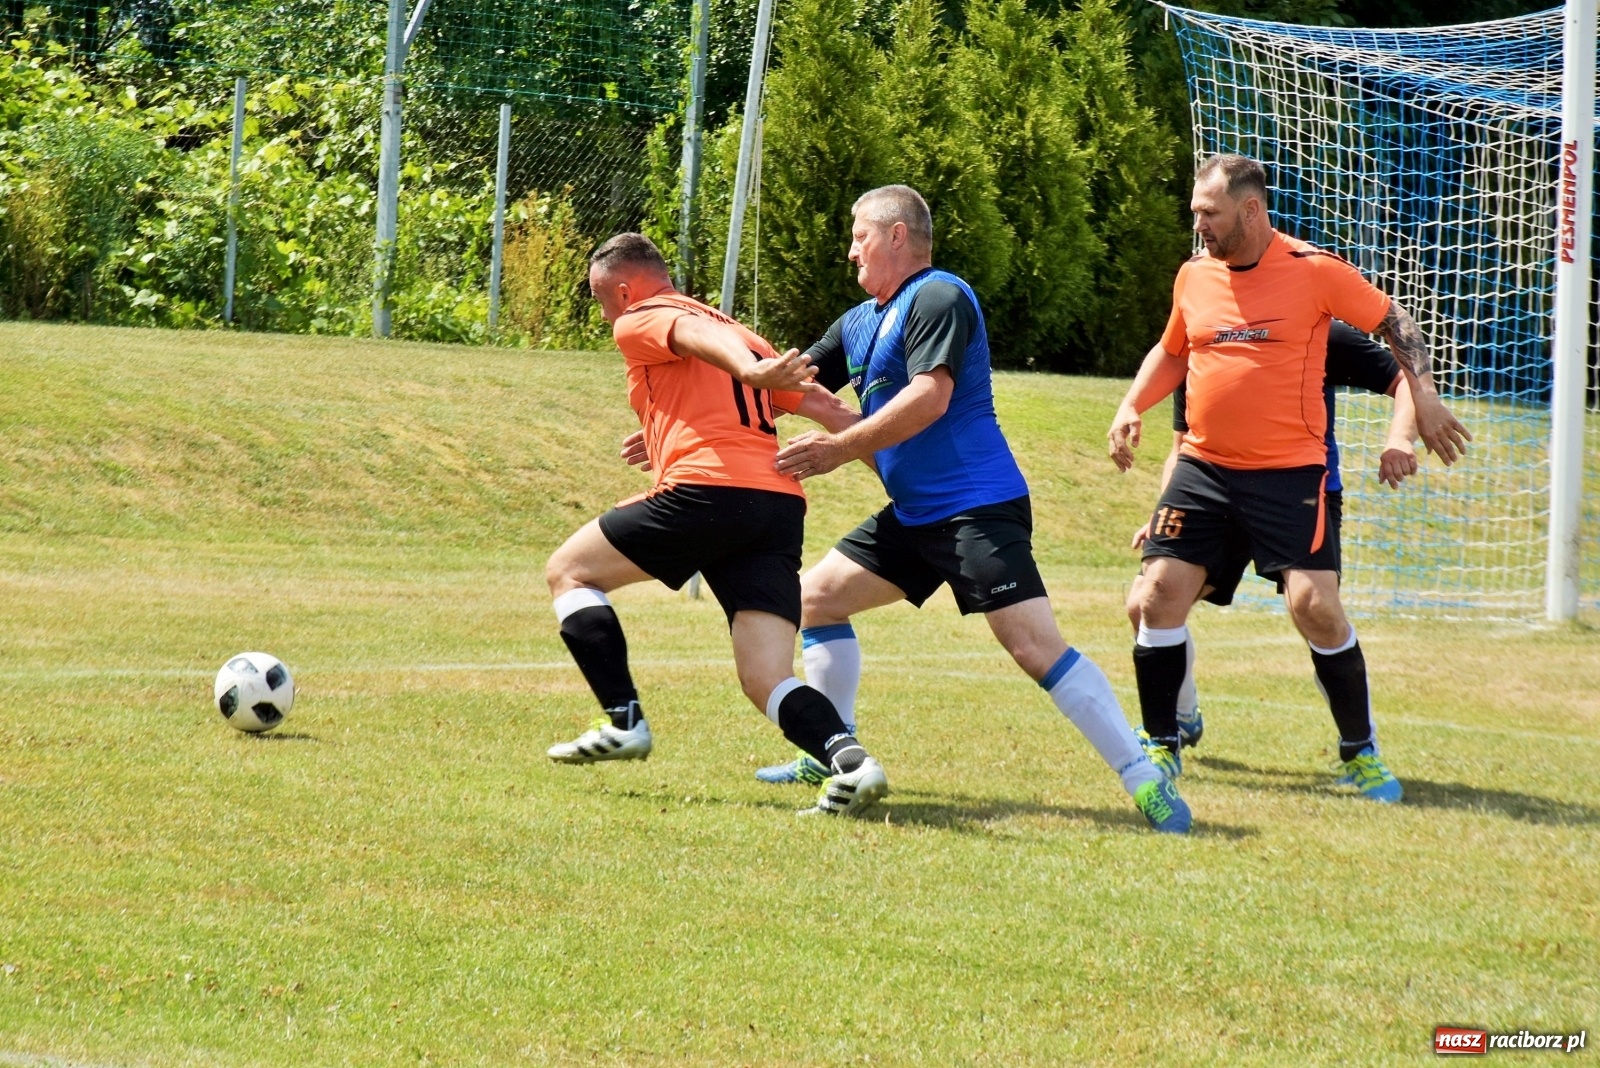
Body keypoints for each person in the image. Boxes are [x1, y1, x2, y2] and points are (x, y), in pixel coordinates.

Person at [756, 184, 1191, 834]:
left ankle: (1144, 777)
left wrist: (841, 447)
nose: (851, 252)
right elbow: (791, 383)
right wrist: (696, 416)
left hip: (976, 509)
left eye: (860, 236)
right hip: (915, 516)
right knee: (813, 600)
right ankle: (830, 756)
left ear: (898, 235)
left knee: (1033, 646)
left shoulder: (938, 297)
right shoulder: (856, 323)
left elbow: (931, 397)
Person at [1106, 154, 1472, 803]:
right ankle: (1162, 744)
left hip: (1289, 475)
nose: (1200, 227)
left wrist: (1423, 397)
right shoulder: (1193, 277)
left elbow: (1395, 323)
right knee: (1156, 594)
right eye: (1196, 214)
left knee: (1315, 607)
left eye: (1209, 214)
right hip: (1205, 468)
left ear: (1251, 209)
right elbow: (1171, 351)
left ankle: (1359, 751)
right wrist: (1132, 404)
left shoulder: (1314, 273)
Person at [543, 232, 888, 818]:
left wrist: (750, 376)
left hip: (709, 492)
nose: (606, 317)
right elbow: (828, 409)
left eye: (603, 302)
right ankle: (852, 763)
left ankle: (624, 721)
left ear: (624, 290)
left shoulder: (647, 316)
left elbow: (698, 339)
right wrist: (899, 479)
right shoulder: (743, 331)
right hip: (775, 507)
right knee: (766, 677)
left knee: (569, 573)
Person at [1123, 321, 1462, 751]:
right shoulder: (1208, 332)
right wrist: (1161, 514)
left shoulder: (1316, 327)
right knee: (1144, 602)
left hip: (1297, 495)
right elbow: (1180, 447)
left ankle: (1361, 747)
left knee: (1315, 608)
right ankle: (1182, 716)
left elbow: (1404, 379)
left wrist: (1399, 438)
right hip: (1215, 495)